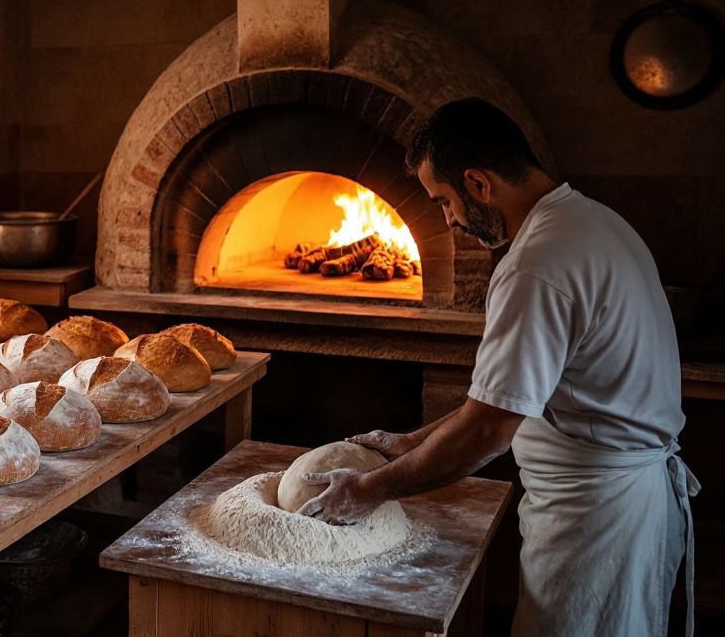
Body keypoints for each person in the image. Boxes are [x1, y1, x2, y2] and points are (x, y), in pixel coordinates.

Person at [296, 97, 698, 637]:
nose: (448, 219)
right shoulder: (591, 221)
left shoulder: (536, 264)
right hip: (622, 506)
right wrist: (412, 441)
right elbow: (511, 400)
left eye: (444, 201)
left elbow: (489, 429)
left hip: (596, 525)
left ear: (478, 184)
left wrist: (368, 490)